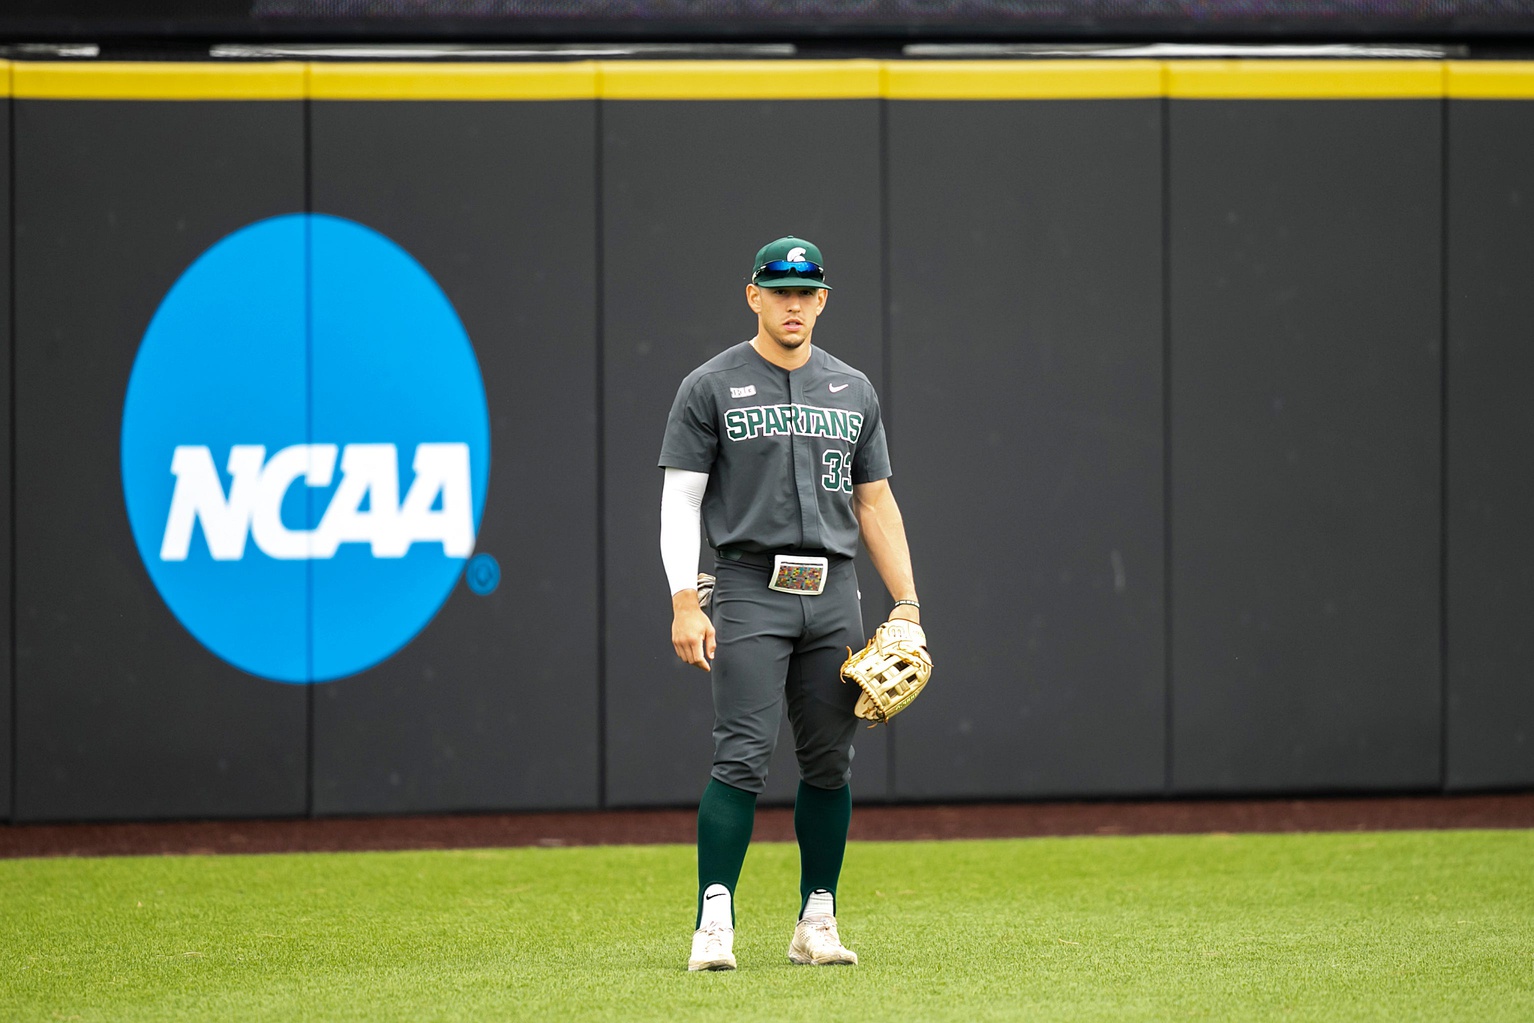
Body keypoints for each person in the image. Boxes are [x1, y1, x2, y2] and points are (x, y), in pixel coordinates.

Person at [657, 236, 923, 971]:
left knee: (830, 761)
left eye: (806, 293)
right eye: (780, 291)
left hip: (834, 591)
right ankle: (714, 921)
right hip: (748, 586)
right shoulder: (710, 385)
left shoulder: (853, 389)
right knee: (741, 755)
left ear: (824, 300)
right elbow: (680, 501)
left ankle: (817, 918)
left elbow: (874, 502)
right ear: (754, 297)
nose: (794, 304)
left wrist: (907, 602)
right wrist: (685, 601)